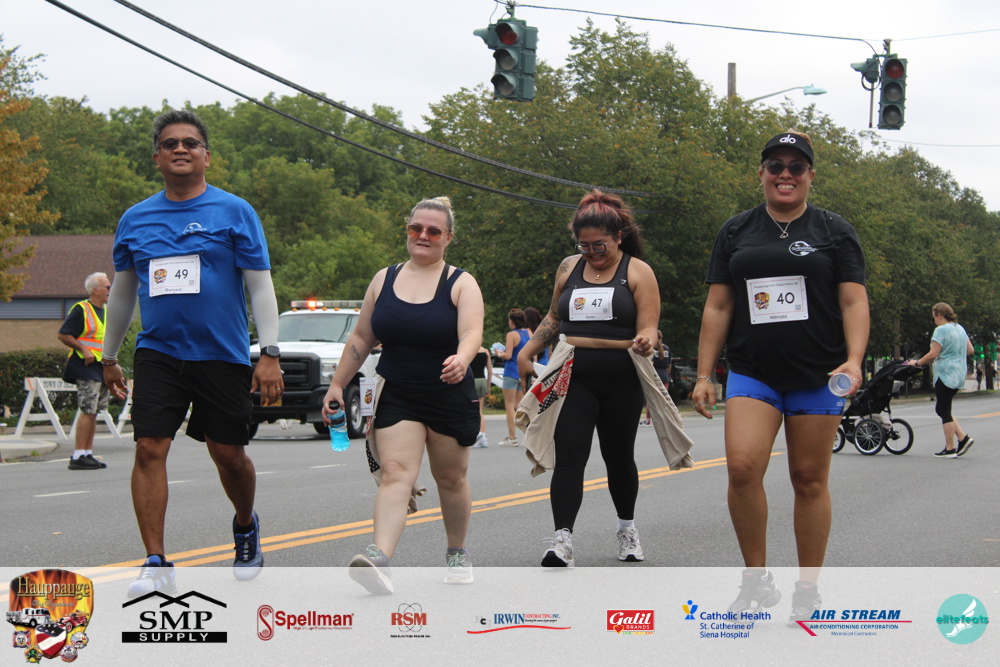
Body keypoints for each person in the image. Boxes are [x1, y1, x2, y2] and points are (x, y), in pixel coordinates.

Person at [101, 110, 284, 597]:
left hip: (221, 353)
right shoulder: (135, 219)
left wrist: (269, 353)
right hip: (158, 351)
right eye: (170, 144)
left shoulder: (235, 211)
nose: (180, 149)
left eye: (190, 143)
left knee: (228, 454)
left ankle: (245, 524)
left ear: (206, 155)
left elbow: (260, 286)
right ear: (156, 157)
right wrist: (108, 357)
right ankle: (156, 561)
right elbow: (122, 293)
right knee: (148, 448)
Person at [690, 131, 869, 625]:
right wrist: (704, 373)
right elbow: (718, 306)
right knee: (743, 468)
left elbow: (853, 300)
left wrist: (855, 360)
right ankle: (755, 580)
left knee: (808, 479)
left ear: (810, 175)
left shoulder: (834, 230)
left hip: (817, 374)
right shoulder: (736, 230)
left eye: (796, 166)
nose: (785, 174)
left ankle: (807, 590)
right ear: (761, 173)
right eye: (775, 166)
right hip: (753, 372)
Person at [322, 196, 484, 595]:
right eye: (416, 228)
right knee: (395, 473)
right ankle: (379, 559)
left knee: (451, 478)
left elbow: (471, 333)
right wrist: (337, 384)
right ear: (407, 231)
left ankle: (457, 552)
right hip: (398, 392)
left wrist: (462, 358)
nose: (423, 236)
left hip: (448, 393)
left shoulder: (461, 282)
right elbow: (362, 337)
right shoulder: (385, 278)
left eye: (433, 231)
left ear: (448, 238)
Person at [516, 189, 666, 567]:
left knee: (619, 457)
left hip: (622, 377)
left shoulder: (638, 271)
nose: (592, 253)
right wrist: (526, 351)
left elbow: (649, 324)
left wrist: (646, 339)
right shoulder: (569, 268)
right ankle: (562, 539)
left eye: (600, 245)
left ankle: (627, 529)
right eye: (584, 246)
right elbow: (554, 316)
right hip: (574, 374)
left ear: (619, 236)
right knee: (570, 456)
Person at [57, 272, 113, 470]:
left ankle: (87, 453)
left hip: (101, 367)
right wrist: (83, 349)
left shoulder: (106, 312)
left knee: (94, 411)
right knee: (87, 409)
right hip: (85, 366)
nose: (110, 290)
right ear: (95, 290)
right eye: (107, 287)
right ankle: (78, 455)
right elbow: (63, 334)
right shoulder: (82, 309)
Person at [904, 302, 974, 458]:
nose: (934, 320)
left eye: (934, 317)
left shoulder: (941, 330)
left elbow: (933, 354)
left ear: (939, 316)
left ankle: (950, 449)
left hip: (945, 373)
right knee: (944, 409)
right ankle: (963, 438)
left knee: (943, 410)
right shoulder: (960, 328)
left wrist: (917, 363)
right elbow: (970, 350)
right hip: (959, 373)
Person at [494, 308, 531, 446]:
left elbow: (508, 355)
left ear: (512, 321)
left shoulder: (512, 335)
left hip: (510, 372)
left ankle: (512, 437)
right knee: (519, 406)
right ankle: (530, 435)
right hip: (522, 372)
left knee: (509, 405)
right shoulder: (528, 333)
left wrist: (499, 353)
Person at [642, 330, 671, 426]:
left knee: (652, 399)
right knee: (664, 399)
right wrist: (667, 374)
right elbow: (669, 365)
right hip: (665, 375)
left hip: (654, 375)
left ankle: (648, 419)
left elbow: (651, 363)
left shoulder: (652, 349)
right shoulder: (667, 348)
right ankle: (665, 419)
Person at [471, 346, 492, 447]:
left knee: (470, 409)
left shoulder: (469, 350)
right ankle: (482, 436)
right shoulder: (485, 351)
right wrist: (488, 386)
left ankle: (475, 434)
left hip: (471, 380)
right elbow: (490, 370)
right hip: (482, 380)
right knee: (480, 410)